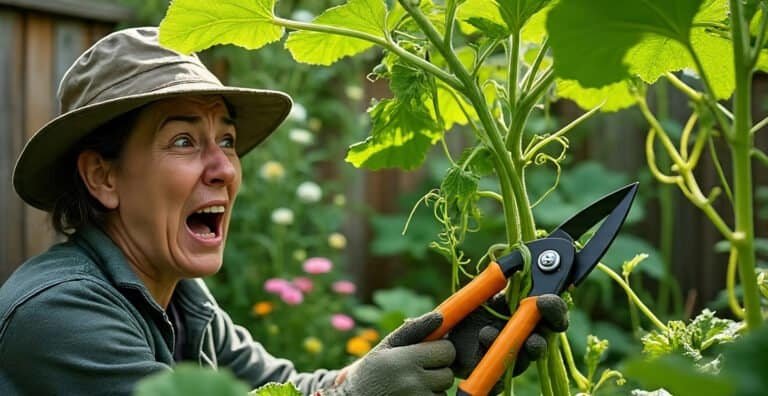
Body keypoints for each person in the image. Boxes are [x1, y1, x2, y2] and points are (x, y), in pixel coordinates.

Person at [0, 27, 568, 395]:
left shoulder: (182, 300)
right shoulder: (57, 315)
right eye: (182, 141)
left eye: (225, 140)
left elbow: (292, 388)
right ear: (103, 176)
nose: (223, 166)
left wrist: (429, 353)